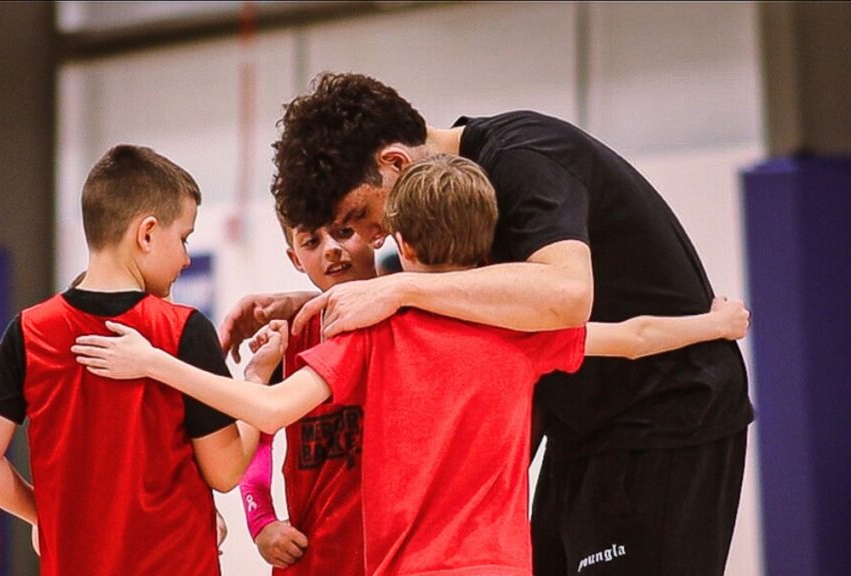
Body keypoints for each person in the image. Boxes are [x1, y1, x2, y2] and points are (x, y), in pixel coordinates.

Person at [74, 155, 750, 576]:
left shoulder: (377, 327)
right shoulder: (521, 332)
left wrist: (155, 363)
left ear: (397, 241)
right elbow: (630, 337)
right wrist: (715, 325)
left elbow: (270, 410)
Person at [217, 72, 755, 576]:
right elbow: (450, 283)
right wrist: (313, 302)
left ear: (396, 163)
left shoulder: (525, 158)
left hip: (665, 414)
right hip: (582, 427)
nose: (373, 237)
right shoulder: (457, 202)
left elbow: (566, 295)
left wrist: (395, 288)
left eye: (360, 216)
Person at [0, 144, 259, 576]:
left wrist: (43, 517)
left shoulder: (27, 332)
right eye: (184, 238)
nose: (187, 258)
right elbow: (226, 470)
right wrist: (258, 383)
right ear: (148, 233)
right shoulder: (182, 329)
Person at [239, 219, 376, 573]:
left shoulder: (410, 318)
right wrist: (261, 521)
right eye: (311, 241)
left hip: (392, 557)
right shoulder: (288, 339)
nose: (331, 248)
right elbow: (255, 439)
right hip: (313, 559)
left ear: (375, 230)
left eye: (344, 232)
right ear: (295, 258)